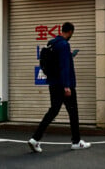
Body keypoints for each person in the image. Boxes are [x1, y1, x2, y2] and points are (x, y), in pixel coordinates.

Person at [28, 22, 91, 153]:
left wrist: (70, 55)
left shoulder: (52, 43)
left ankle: (35, 139)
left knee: (53, 111)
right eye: (72, 33)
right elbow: (64, 67)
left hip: (53, 84)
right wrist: (67, 86)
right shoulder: (64, 45)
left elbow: (56, 62)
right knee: (73, 112)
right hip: (64, 85)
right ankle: (76, 141)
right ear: (70, 32)